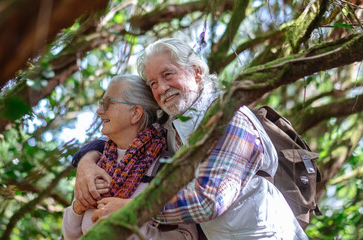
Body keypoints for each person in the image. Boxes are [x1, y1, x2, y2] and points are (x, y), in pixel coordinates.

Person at [74, 39, 309, 239]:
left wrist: (132, 209)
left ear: (197, 73)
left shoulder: (230, 116)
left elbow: (209, 200)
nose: (162, 88)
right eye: (153, 83)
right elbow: (128, 138)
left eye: (168, 74)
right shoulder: (173, 127)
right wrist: (86, 162)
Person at [62, 74, 198, 240]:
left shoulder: (165, 167)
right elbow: (70, 236)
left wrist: (133, 224)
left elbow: (188, 236)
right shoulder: (96, 164)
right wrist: (77, 208)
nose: (99, 111)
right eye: (100, 103)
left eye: (107, 104)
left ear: (135, 113)